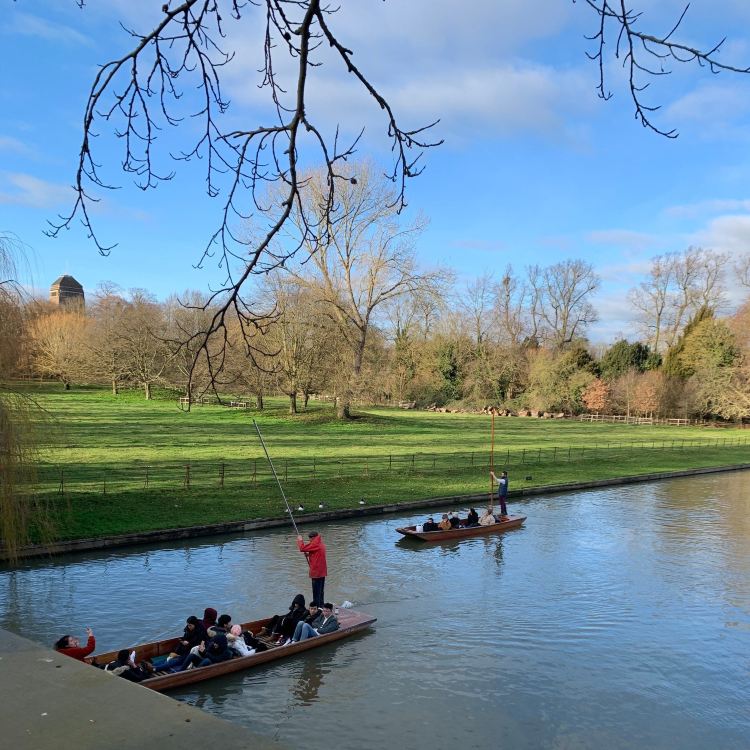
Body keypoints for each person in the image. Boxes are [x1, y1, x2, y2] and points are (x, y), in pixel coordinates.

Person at [297, 531, 328, 607]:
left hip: (316, 573)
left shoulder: (315, 543)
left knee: (316, 592)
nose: (309, 540)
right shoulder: (321, 543)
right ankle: (321, 606)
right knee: (321, 591)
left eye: (310, 538)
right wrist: (309, 554)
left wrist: (300, 540)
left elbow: (302, 548)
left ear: (313, 537)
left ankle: (316, 608)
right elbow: (318, 553)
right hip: (322, 572)